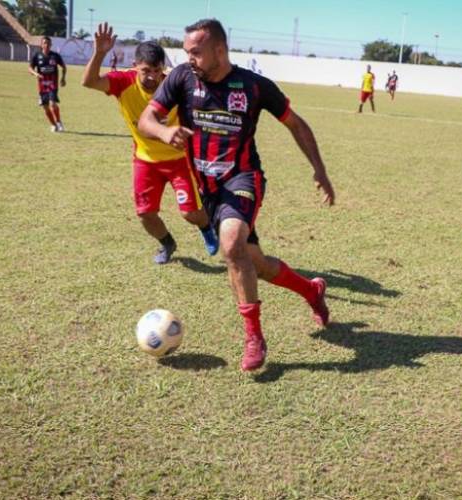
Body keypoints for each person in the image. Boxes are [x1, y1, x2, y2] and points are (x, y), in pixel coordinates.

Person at [139, 19, 335, 372]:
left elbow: (296, 123)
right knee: (254, 263)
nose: (189, 59)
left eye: (196, 52)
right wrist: (164, 132)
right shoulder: (182, 78)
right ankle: (311, 291)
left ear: (219, 50)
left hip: (243, 179)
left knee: (231, 244)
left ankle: (254, 338)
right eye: (186, 52)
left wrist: (319, 169)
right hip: (209, 190)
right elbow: (146, 120)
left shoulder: (253, 86)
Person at [81, 23, 218, 264]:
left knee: (190, 213)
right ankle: (167, 243)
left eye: (157, 70)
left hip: (178, 160)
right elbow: (89, 82)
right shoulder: (123, 83)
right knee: (145, 214)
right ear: (135, 67)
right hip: (145, 160)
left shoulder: (175, 83)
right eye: (146, 70)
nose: (152, 76)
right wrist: (100, 52)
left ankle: (207, 228)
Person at [29, 36, 66, 132]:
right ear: (41, 45)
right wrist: (36, 74)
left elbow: (64, 67)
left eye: (49, 43)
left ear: (51, 45)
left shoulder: (55, 56)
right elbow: (30, 68)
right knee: (45, 107)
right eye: (45, 43)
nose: (47, 45)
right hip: (42, 86)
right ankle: (53, 125)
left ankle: (58, 122)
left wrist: (63, 78)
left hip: (53, 84)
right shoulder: (37, 56)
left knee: (52, 104)